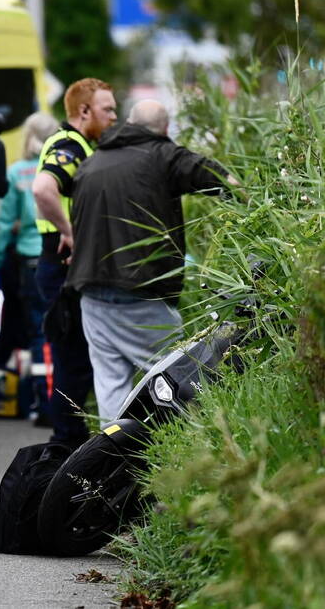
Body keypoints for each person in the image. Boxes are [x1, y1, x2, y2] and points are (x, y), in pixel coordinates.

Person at [66, 99, 241, 419]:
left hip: (91, 292)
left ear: (130, 122)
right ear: (164, 128)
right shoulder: (164, 155)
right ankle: (178, 455)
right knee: (175, 378)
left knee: (110, 383)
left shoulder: (91, 164)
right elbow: (229, 184)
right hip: (142, 293)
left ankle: (115, 458)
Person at [31, 79, 118, 446]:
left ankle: (69, 439)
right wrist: (70, 231)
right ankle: (65, 443)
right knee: (73, 362)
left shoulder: (83, 146)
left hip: (66, 268)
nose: (114, 116)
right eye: (108, 110)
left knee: (76, 361)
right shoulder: (69, 146)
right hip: (63, 266)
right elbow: (42, 189)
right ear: (84, 112)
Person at [0, 112, 60, 424]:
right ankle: (58, 403)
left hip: (28, 263)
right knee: (57, 332)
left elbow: (3, 225)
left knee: (35, 332)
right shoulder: (61, 171)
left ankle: (41, 405)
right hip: (57, 257)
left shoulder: (16, 174)